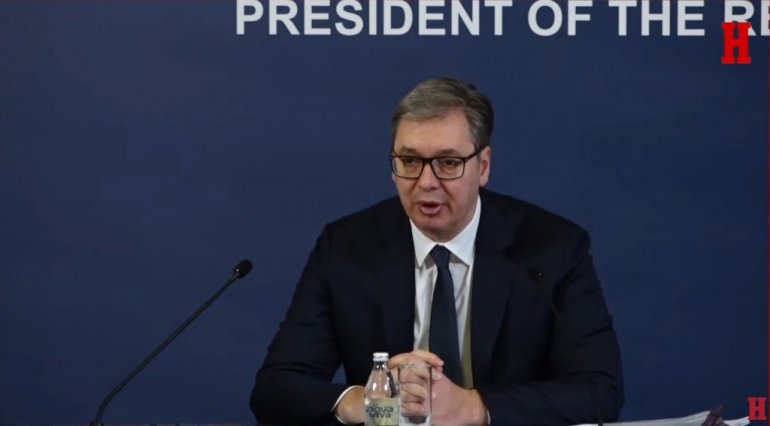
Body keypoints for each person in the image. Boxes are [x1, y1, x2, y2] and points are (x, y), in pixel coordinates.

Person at [251, 77, 624, 425]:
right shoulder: (347, 247)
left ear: (483, 166)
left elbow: (599, 390)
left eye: (448, 163)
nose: (426, 182)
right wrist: (366, 402)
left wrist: (473, 406)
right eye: (410, 161)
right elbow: (275, 388)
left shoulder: (551, 248)